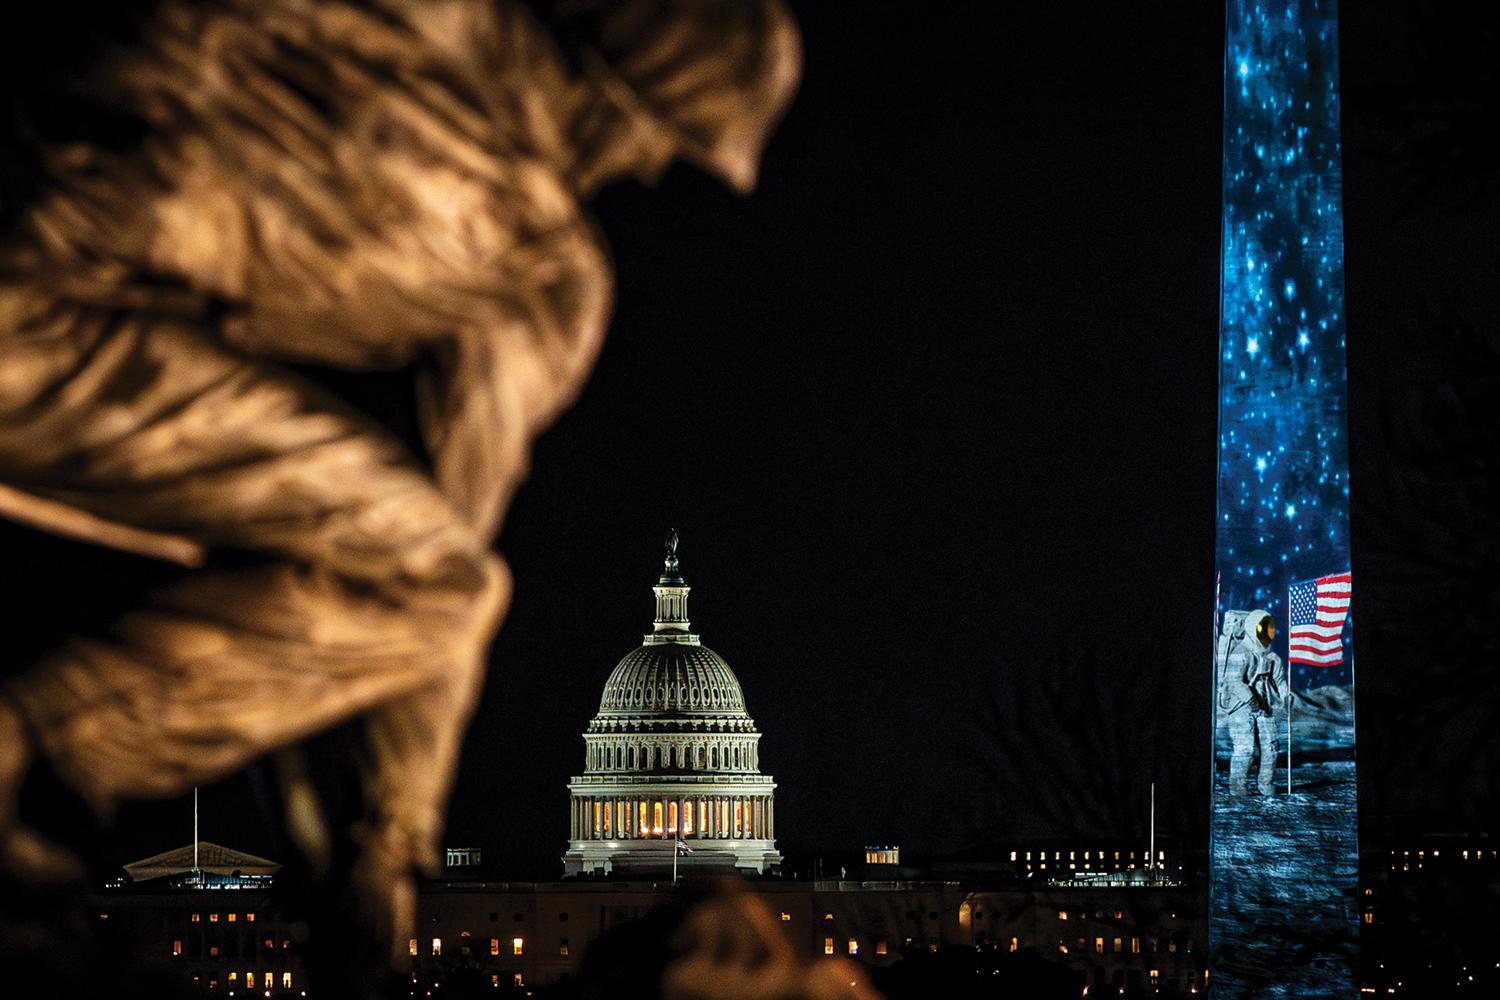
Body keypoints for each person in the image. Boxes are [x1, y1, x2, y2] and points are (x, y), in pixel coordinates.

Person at [0, 0, 799, 957]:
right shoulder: (536, 256)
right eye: (665, 141)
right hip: (44, 339)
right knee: (442, 589)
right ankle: (32, 734)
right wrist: (392, 838)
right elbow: (454, 520)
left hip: (48, 229)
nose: (647, 169)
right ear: (615, 103)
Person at [1216, 608, 1285, 796]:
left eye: (1269, 629)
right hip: (1241, 704)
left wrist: (1286, 696)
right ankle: (1238, 788)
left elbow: (1278, 680)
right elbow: (1233, 680)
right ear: (1252, 628)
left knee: (1271, 745)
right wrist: (1250, 698)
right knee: (1245, 748)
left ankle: (1266, 784)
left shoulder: (1271, 658)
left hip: (1264, 702)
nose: (1268, 633)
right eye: (1264, 629)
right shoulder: (1241, 652)